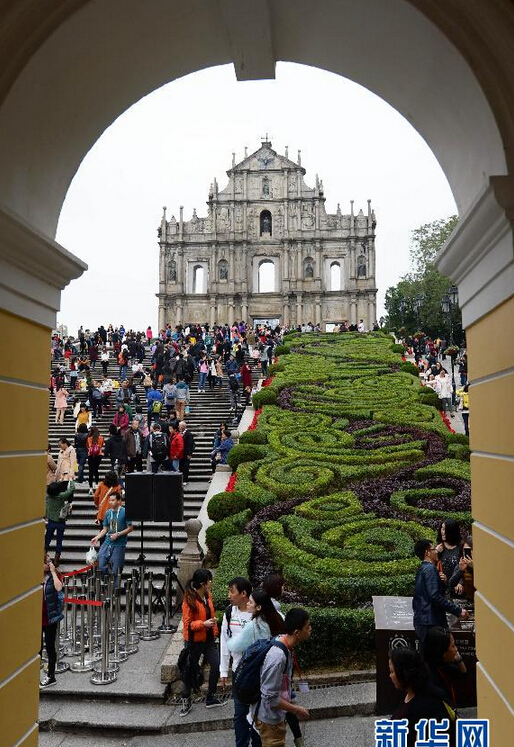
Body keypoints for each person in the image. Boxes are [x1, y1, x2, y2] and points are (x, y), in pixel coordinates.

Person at [251, 608, 311, 747]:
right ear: (297, 632)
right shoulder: (278, 657)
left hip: (276, 716)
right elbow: (269, 697)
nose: (310, 629)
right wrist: (296, 710)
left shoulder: (284, 643)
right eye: (307, 627)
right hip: (269, 720)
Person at [180, 569, 225, 717]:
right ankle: (186, 700)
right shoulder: (189, 600)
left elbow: (210, 614)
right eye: (210, 580)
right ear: (202, 584)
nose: (211, 583)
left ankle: (211, 696)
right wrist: (203, 624)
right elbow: (187, 624)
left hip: (209, 639)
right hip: (193, 642)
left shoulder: (207, 596)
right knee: (189, 670)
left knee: (216, 663)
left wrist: (213, 626)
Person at [389, 646, 454, 747]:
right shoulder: (414, 692)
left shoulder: (426, 706)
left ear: (404, 673)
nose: (390, 675)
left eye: (392, 672)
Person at [219, 577, 257, 747]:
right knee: (239, 714)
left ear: (243, 594)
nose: (229, 595)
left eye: (231, 591)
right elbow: (225, 641)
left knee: (257, 713)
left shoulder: (255, 614)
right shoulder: (229, 612)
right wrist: (223, 670)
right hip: (238, 672)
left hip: (256, 672)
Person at [412, 539, 468, 649]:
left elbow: (436, 592)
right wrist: (457, 610)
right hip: (431, 623)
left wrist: (445, 582)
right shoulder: (430, 569)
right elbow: (435, 596)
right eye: (433, 549)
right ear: (427, 552)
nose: (436, 551)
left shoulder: (422, 569)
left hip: (423, 622)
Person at [91, 492, 133, 584]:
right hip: (107, 542)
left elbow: (130, 528)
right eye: (109, 500)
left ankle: (115, 591)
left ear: (119, 501)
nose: (110, 502)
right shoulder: (108, 513)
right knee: (101, 564)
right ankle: (107, 581)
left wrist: (118, 534)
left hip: (119, 544)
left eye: (113, 500)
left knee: (116, 570)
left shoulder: (124, 512)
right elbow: (105, 528)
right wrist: (97, 537)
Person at [423, 626, 467, 707]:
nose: (456, 649)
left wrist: (458, 659)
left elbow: (463, 673)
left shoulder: (443, 665)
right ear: (443, 652)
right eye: (453, 646)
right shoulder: (429, 678)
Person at [40, 553, 64, 689]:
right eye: (46, 562)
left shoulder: (52, 577)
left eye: (49, 561)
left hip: (50, 618)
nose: (48, 564)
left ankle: (51, 676)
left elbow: (59, 587)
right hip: (37, 619)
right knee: (37, 648)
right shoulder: (35, 577)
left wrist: (53, 572)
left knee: (50, 647)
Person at [45, 479, 75, 563]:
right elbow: (71, 489)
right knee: (59, 540)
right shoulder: (61, 496)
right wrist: (71, 480)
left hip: (51, 521)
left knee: (47, 539)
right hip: (60, 522)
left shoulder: (48, 496)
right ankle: (56, 560)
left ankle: (44, 555)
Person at [435, 520, 461, 589]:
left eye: (445, 530)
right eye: (442, 528)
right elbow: (431, 563)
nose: (442, 532)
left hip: (457, 588)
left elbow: (464, 569)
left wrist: (461, 583)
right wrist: (436, 551)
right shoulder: (439, 545)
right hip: (441, 587)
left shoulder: (460, 547)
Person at [449, 535, 475, 602]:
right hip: (467, 602)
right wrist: (460, 570)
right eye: (465, 551)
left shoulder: (482, 565)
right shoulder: (461, 564)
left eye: (470, 550)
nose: (468, 553)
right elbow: (451, 585)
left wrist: (474, 567)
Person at [86, 426, 104, 495]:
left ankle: (90, 488)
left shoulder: (89, 438)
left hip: (90, 455)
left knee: (91, 471)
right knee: (96, 470)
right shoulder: (101, 438)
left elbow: (87, 447)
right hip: (98, 455)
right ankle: (96, 484)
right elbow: (102, 445)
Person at [179, 420, 195, 485]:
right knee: (180, 466)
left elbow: (190, 444)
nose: (179, 427)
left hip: (186, 453)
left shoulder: (189, 434)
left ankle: (185, 479)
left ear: (183, 427)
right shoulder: (179, 433)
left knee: (185, 466)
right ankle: (181, 479)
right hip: (180, 453)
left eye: (180, 426)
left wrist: (189, 453)